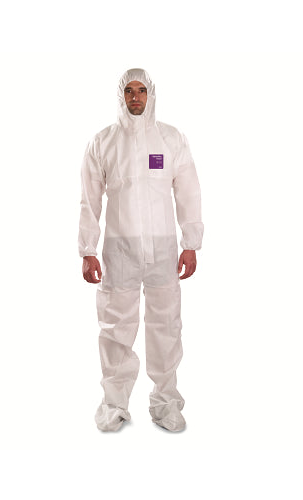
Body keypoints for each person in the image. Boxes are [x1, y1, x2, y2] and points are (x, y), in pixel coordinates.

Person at [78, 68, 204, 432]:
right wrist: (87, 249)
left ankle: (166, 404)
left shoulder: (171, 139)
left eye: (142, 90)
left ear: (151, 94)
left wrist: (190, 243)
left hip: (163, 251)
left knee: (167, 327)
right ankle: (114, 405)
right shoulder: (103, 142)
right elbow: (89, 200)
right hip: (119, 251)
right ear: (121, 96)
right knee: (116, 329)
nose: (136, 97)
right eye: (130, 91)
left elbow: (189, 191)